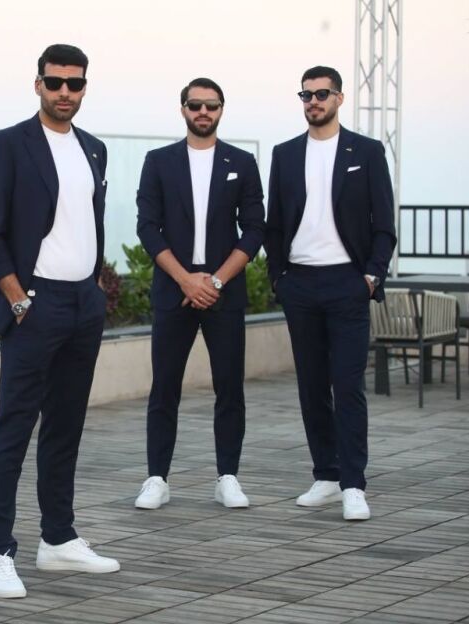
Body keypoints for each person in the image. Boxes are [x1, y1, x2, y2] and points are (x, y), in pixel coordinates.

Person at [0, 43, 119, 599]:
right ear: (37, 84)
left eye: (74, 84)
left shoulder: (94, 149)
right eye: (54, 82)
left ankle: (57, 538)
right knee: (14, 427)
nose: (64, 92)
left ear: (84, 88)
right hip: (33, 303)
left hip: (83, 303)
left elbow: (87, 224)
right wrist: (16, 297)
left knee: (66, 426)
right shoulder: (8, 145)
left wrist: (95, 290)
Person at [264, 65, 396, 521]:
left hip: (347, 283)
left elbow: (384, 225)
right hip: (300, 282)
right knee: (312, 385)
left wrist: (371, 277)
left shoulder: (367, 151)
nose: (314, 102)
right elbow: (275, 223)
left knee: (348, 385)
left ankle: (354, 484)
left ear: (339, 98)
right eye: (306, 95)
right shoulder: (284, 154)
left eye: (322, 94)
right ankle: (326, 474)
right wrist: (279, 278)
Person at [134, 77, 265, 511]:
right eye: (195, 105)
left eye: (211, 105)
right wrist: (186, 280)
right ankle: (157, 478)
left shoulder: (242, 162)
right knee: (164, 388)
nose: (203, 112)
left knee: (229, 388)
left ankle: (228, 477)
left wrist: (215, 282)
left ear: (221, 110)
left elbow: (255, 229)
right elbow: (147, 227)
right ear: (183, 109)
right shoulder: (158, 161)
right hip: (174, 292)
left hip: (223, 294)